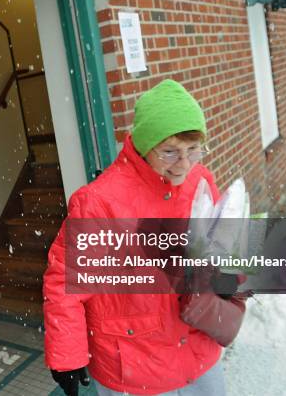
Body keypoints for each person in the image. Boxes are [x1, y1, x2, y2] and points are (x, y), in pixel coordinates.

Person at [44, 79, 228, 396]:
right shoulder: (99, 202)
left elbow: (222, 242)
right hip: (136, 368)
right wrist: (67, 357)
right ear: (144, 146)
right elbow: (65, 286)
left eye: (193, 150)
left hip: (198, 353)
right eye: (170, 152)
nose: (183, 164)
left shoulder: (200, 179)